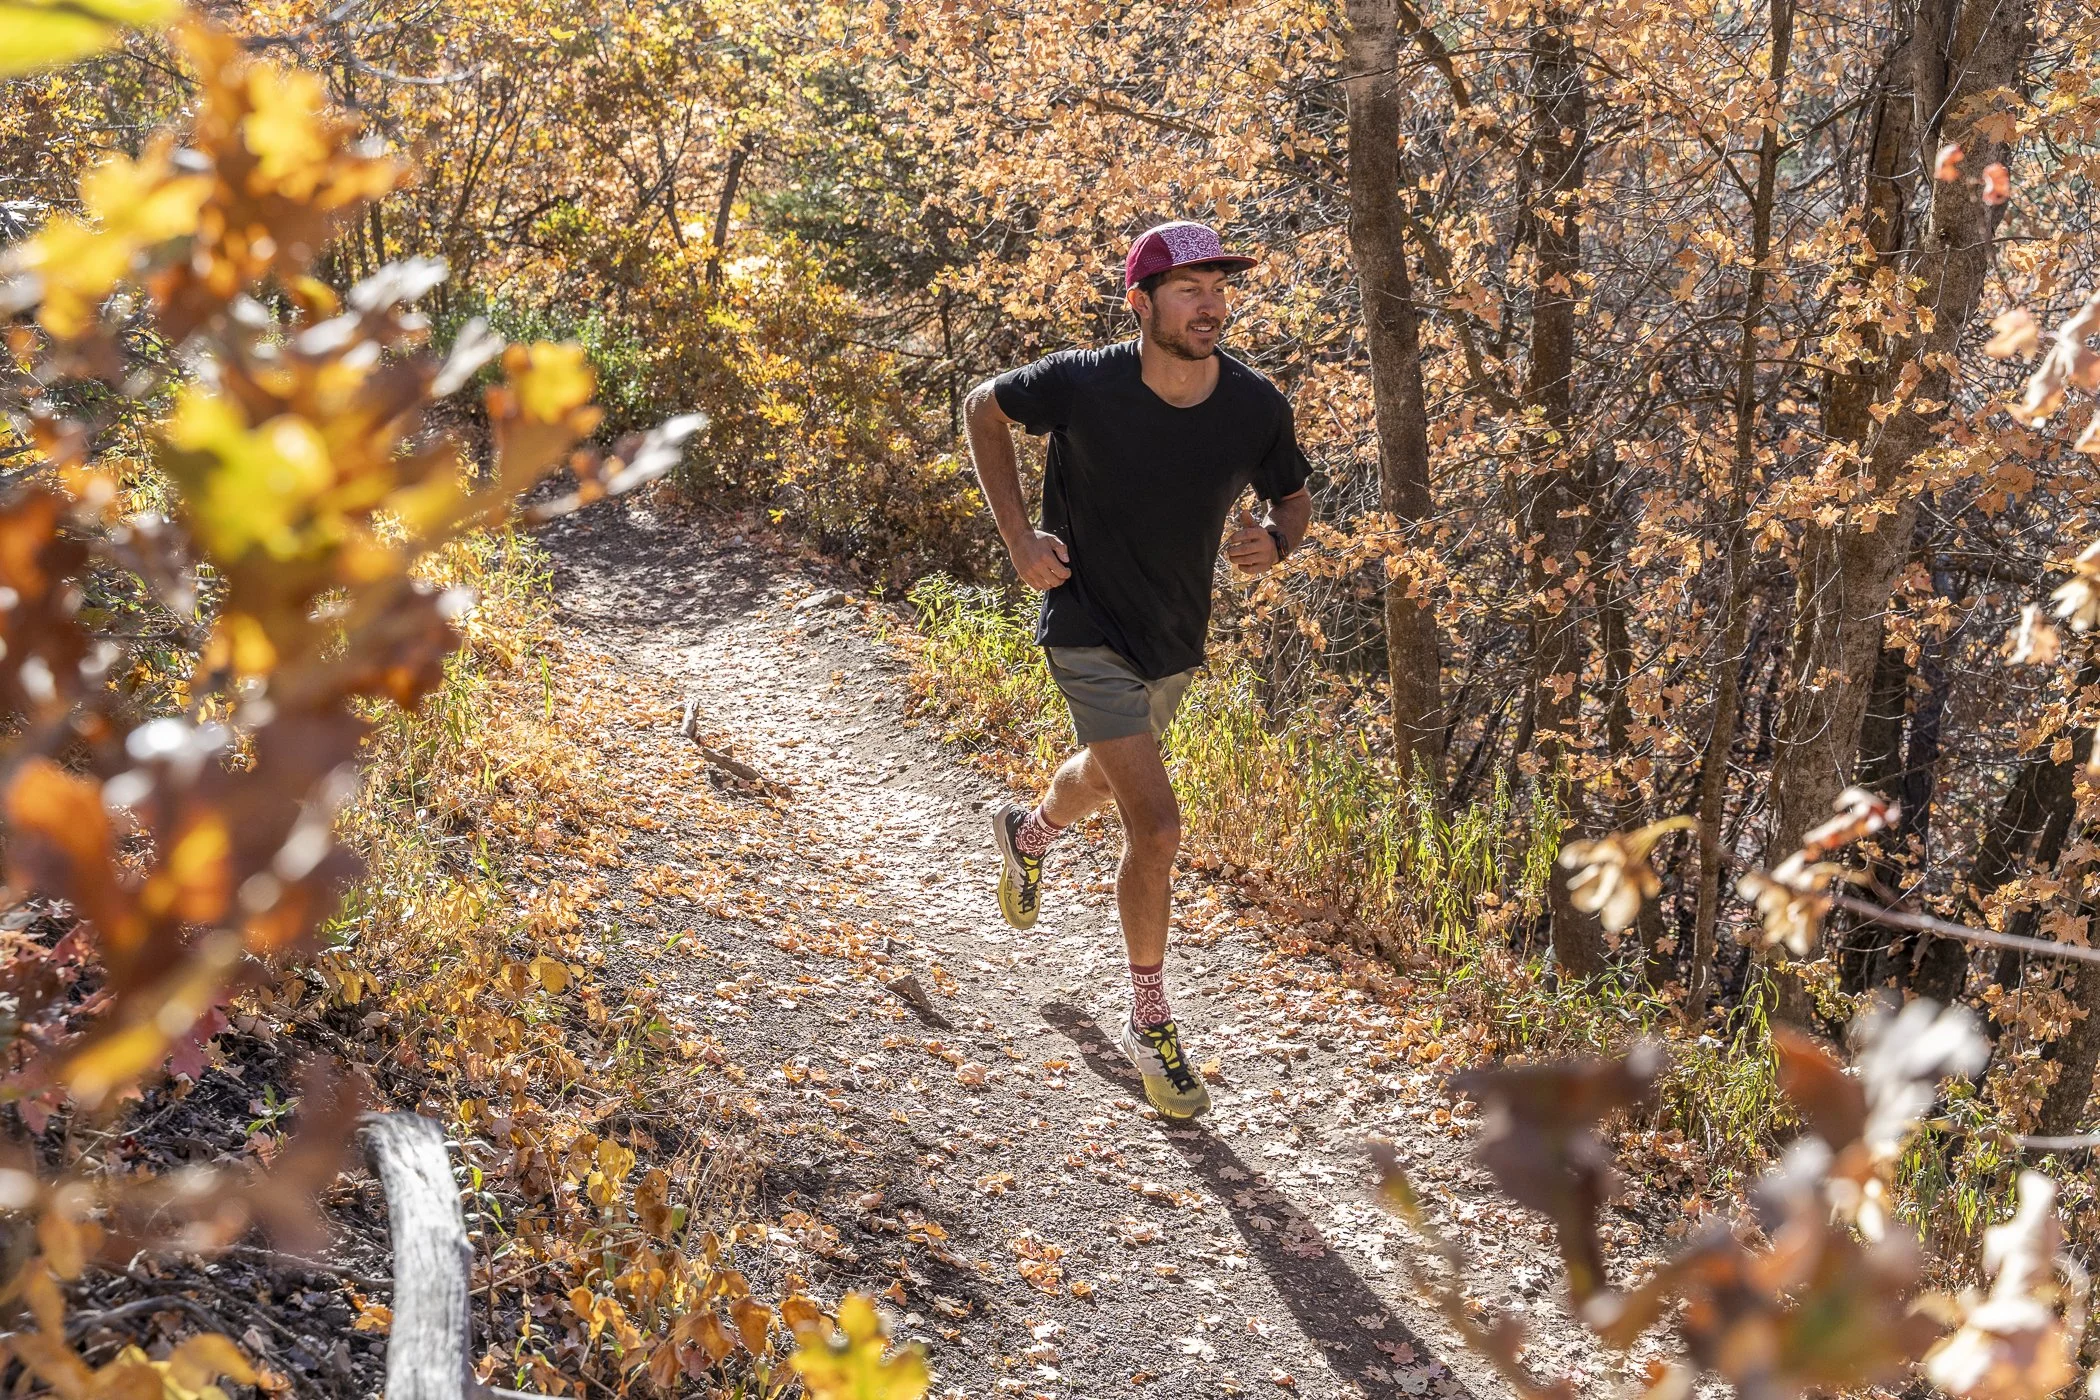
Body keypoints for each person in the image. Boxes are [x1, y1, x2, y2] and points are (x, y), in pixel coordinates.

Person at [962, 220, 1313, 1120]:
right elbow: (981, 409)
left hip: (1173, 635)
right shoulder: (1084, 382)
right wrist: (1016, 538)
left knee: (1115, 779)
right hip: (1083, 621)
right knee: (1156, 826)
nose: (1212, 304)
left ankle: (1031, 832)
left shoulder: (1252, 404)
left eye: (1219, 288)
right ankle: (1150, 1017)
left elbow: (1293, 492)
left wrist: (1273, 540)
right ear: (1141, 302)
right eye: (1190, 288)